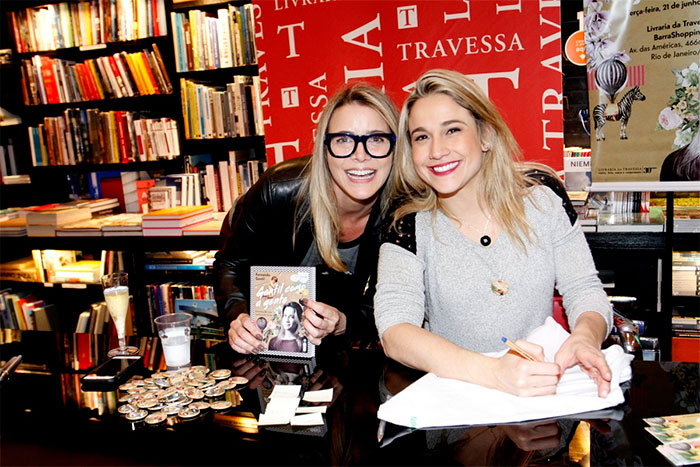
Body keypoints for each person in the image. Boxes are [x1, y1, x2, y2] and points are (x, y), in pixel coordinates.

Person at [374, 69, 613, 398]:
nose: (436, 150)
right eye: (421, 137)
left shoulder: (543, 197)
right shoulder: (406, 223)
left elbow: (584, 288)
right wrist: (494, 374)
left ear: (485, 135)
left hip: (541, 399)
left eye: (452, 130)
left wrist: (585, 337)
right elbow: (395, 331)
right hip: (456, 407)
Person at [214, 83, 400, 354]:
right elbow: (229, 263)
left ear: (396, 149)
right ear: (324, 149)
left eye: (376, 139)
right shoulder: (278, 190)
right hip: (265, 350)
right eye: (344, 140)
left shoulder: (401, 216)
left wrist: (342, 323)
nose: (361, 156)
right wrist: (237, 316)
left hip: (340, 358)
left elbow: (386, 306)